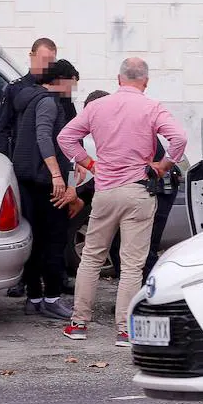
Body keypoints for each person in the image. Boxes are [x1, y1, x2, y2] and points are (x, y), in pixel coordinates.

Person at [57, 58, 187, 347]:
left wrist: (90, 164)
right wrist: (164, 165)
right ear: (146, 81)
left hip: (105, 191)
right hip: (138, 192)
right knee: (131, 265)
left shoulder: (96, 107)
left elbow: (66, 137)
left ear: (118, 80)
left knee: (91, 258)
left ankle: (78, 324)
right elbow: (178, 137)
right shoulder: (152, 107)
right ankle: (125, 330)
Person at [76, 90, 182, 283]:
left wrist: (80, 196)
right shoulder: (114, 125)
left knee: (145, 248)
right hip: (141, 188)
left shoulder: (121, 129)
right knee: (120, 246)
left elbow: (115, 172)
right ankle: (132, 297)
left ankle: (149, 299)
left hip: (157, 188)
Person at [11, 59, 82, 319]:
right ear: (61, 79)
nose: (71, 91)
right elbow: (44, 137)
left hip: (28, 179)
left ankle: (34, 298)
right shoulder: (48, 103)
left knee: (36, 240)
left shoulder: (29, 99)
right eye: (71, 84)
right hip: (45, 182)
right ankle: (52, 298)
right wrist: (57, 174)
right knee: (54, 239)